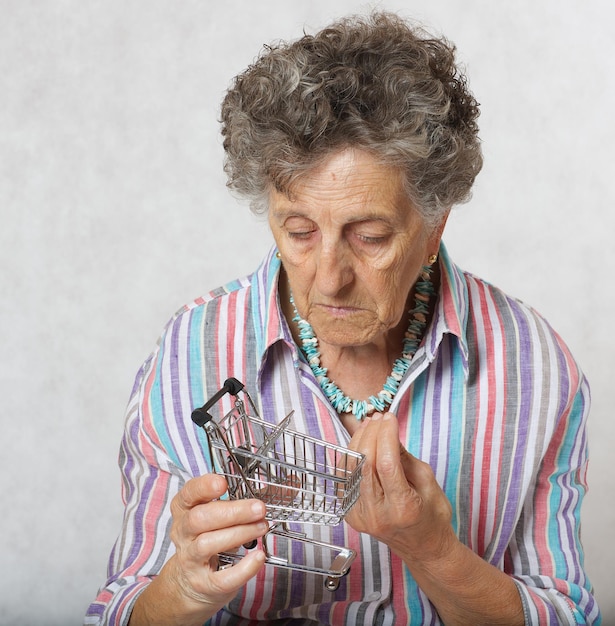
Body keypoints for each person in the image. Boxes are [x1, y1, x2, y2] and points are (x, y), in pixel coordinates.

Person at [85, 11, 601, 626]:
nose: (328, 277)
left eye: (371, 236)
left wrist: (433, 551)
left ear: (434, 225)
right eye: (298, 231)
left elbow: (568, 615)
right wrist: (186, 591)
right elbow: (117, 612)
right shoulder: (190, 354)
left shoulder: (535, 367)